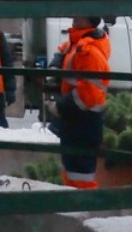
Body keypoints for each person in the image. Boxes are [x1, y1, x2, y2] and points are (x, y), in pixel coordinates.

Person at [47, 14, 110, 189]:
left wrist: (59, 106)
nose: (74, 16)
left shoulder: (88, 50)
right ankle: (74, 204)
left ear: (89, 21)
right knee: (72, 170)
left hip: (83, 121)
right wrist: (55, 66)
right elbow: (63, 49)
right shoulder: (80, 42)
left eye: (80, 14)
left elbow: (88, 94)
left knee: (80, 173)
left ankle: (83, 208)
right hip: (78, 119)